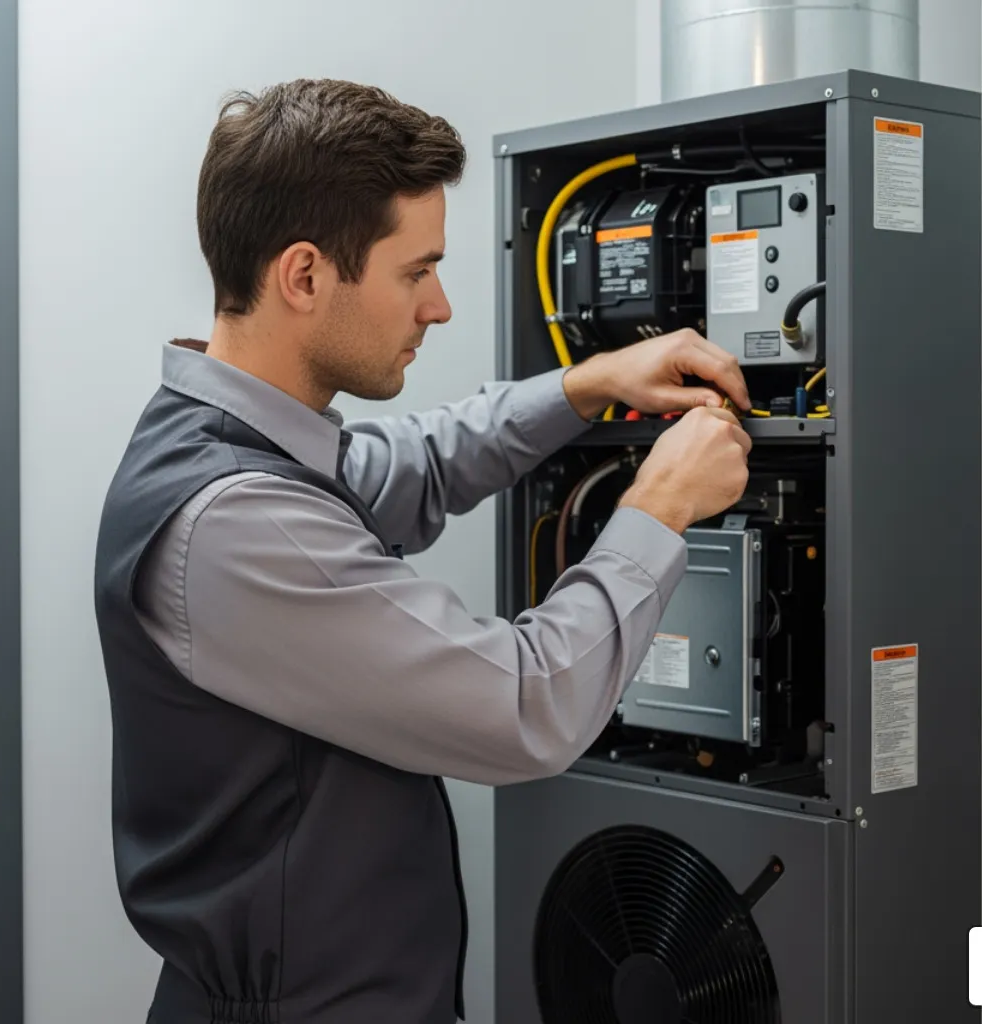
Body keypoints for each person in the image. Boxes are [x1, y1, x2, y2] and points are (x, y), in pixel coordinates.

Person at [93, 78, 754, 1024]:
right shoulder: (235, 521)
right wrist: (658, 506)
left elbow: (418, 464)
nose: (439, 306)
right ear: (306, 276)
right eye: (417, 272)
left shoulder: (231, 440)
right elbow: (526, 702)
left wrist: (584, 383)